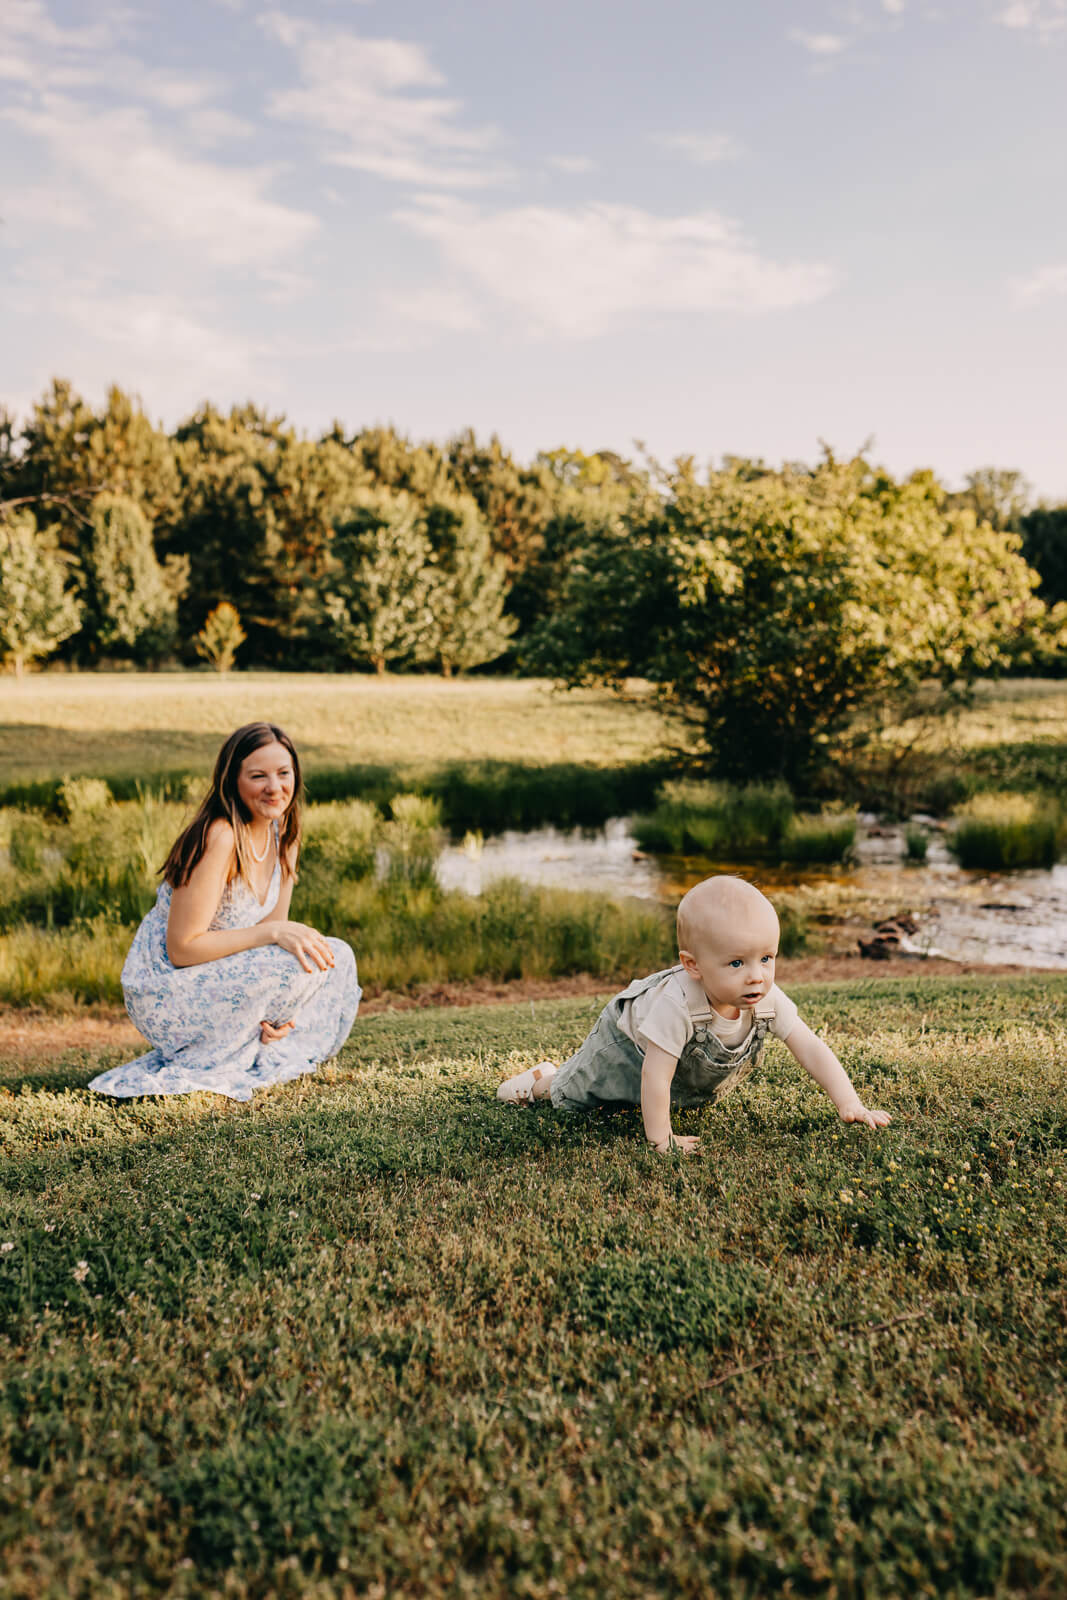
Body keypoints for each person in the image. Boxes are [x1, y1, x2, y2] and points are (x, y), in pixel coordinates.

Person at [496, 875, 890, 1152]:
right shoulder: (677, 1004)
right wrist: (661, 1139)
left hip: (669, 1067)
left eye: (766, 958)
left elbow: (810, 1047)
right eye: (737, 963)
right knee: (575, 1097)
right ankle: (539, 1082)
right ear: (693, 965)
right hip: (626, 1049)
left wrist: (849, 1102)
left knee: (625, 1104)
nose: (757, 976)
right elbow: (655, 1073)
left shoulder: (765, 997)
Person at [89, 722, 360, 1102]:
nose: (274, 787)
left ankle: (267, 1037)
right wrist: (273, 939)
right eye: (258, 776)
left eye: (284, 773)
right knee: (294, 957)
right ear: (232, 780)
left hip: (227, 972)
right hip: (167, 988)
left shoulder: (285, 833)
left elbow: (275, 933)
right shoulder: (219, 835)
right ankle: (225, 1049)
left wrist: (283, 1006)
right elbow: (183, 949)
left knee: (334, 956)